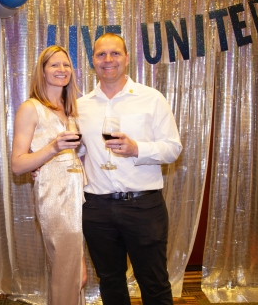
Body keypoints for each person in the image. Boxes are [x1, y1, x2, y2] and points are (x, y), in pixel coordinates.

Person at [77, 33, 182, 305]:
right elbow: (76, 152)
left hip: (143, 207)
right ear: (93, 61)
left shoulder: (151, 98)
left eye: (114, 53)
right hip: (97, 207)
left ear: (126, 58)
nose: (108, 60)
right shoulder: (80, 106)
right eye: (101, 54)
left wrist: (138, 149)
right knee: (110, 281)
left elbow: (173, 148)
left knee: (154, 282)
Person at [11, 45, 87, 305]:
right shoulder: (31, 108)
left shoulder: (71, 109)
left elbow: (80, 154)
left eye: (66, 65)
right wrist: (52, 148)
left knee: (78, 275)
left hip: (79, 195)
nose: (61, 70)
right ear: (42, 71)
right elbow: (18, 164)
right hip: (55, 196)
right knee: (66, 274)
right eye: (54, 65)